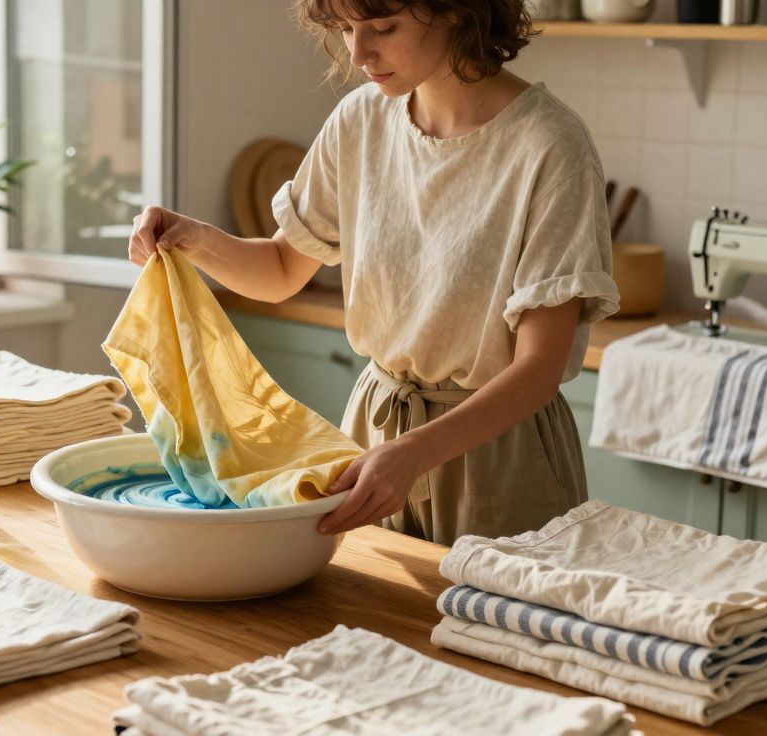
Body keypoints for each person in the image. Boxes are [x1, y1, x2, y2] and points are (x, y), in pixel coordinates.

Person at [127, 0, 619, 546]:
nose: (359, 53)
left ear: (457, 10)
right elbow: (281, 269)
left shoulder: (549, 144)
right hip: (376, 436)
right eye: (346, 29)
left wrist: (417, 454)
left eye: (383, 27)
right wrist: (192, 238)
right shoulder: (359, 121)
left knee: (488, 627)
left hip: (496, 451)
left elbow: (538, 368)